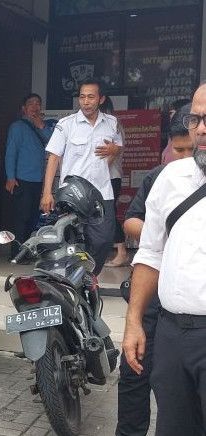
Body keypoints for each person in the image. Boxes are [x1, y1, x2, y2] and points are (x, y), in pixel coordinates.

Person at [123, 84, 206, 436]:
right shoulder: (171, 177)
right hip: (171, 335)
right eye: (196, 119)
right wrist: (133, 321)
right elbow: (151, 253)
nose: (201, 129)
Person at [40, 79, 122, 275]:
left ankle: (89, 275)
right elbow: (53, 157)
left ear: (101, 99)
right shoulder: (66, 124)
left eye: (91, 97)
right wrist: (47, 193)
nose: (86, 101)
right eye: (82, 97)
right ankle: (75, 278)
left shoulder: (111, 123)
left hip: (101, 192)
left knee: (104, 240)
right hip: (73, 193)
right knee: (72, 241)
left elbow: (117, 147)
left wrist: (114, 150)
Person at [4, 93, 56, 257]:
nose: (35, 106)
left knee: (33, 216)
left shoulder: (42, 126)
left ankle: (27, 250)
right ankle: (16, 253)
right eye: (31, 104)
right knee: (21, 217)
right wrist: (10, 177)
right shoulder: (17, 127)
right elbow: (11, 153)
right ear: (24, 109)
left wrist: (40, 125)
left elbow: (53, 144)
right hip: (21, 180)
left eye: (38, 103)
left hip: (38, 180)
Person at [101, 96, 129, 267]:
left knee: (109, 214)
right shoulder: (112, 124)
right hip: (108, 176)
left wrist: (97, 172)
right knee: (102, 215)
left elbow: (112, 154)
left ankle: (122, 252)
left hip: (109, 176)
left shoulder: (111, 125)